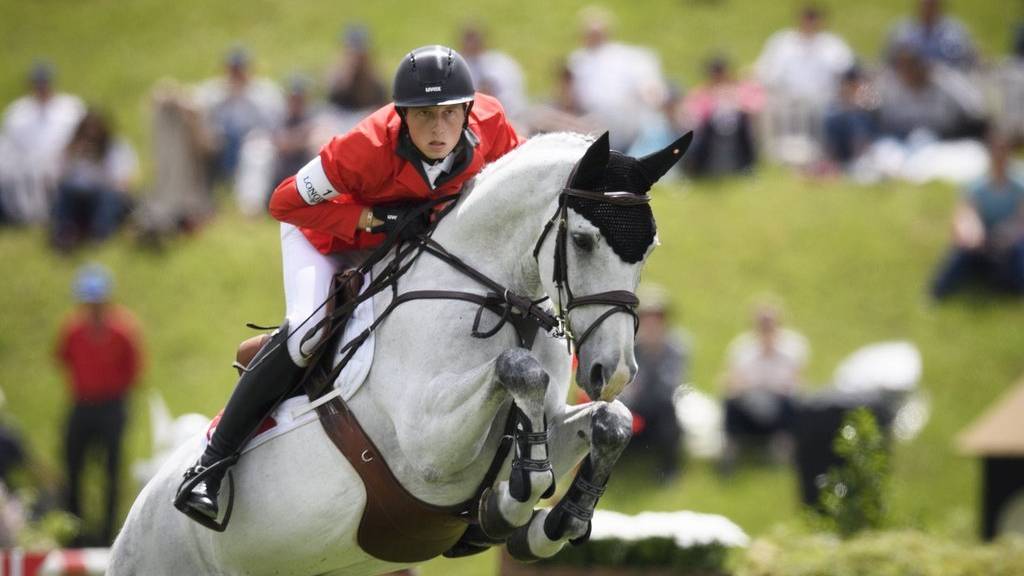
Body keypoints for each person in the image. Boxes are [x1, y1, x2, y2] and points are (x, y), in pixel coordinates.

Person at [177, 45, 524, 524]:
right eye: (424, 116)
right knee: (306, 332)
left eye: (449, 114)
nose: (439, 129)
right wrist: (369, 215)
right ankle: (210, 465)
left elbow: (520, 185)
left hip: (403, 244)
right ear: (402, 115)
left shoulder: (491, 123)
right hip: (323, 235)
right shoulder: (366, 148)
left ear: (468, 110)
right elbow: (284, 202)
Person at [55, 264, 143, 544]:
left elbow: (134, 369)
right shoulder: (73, 329)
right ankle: (75, 531)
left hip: (112, 407)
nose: (92, 306)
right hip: (81, 406)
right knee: (72, 465)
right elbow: (63, 358)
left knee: (112, 471)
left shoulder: (122, 329)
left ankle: (108, 534)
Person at [930, 132, 1024, 299]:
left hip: (1011, 240)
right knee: (961, 251)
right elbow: (965, 215)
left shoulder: (1019, 185)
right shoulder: (977, 187)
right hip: (983, 240)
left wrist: (1007, 235)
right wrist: (972, 232)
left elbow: (1021, 219)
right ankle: (938, 292)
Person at [720, 302, 808, 471]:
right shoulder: (742, 349)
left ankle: (784, 447)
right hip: (750, 404)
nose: (766, 330)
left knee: (793, 400)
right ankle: (731, 448)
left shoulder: (793, 349)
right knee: (730, 401)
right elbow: (730, 381)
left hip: (780, 407)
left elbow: (797, 382)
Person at [567, 6, 668, 151]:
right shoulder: (578, 60)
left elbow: (649, 87)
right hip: (592, 121)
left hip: (629, 121)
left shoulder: (627, 57)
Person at [619, 284, 689, 483]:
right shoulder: (630, 347)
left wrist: (655, 355)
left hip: (660, 411)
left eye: (656, 320)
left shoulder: (675, 347)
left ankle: (669, 469)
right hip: (635, 409)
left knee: (666, 409)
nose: (651, 326)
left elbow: (670, 386)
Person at [0, 61, 85, 224]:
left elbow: (81, 138)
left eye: (44, 83)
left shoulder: (70, 108)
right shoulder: (18, 112)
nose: (41, 87)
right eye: (37, 83)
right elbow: (8, 146)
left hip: (63, 165)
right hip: (25, 167)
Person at [193, 46, 285, 184]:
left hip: (252, 141)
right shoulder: (217, 90)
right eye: (232, 69)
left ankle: (248, 202)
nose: (236, 73)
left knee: (257, 151)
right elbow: (194, 102)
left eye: (240, 68)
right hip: (220, 142)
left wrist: (244, 95)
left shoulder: (264, 91)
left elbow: (274, 122)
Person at [50, 108, 138, 252]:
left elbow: (122, 183)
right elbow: (58, 177)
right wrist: (72, 154)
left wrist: (99, 161)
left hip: (104, 196)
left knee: (109, 196)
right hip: (77, 195)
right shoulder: (72, 148)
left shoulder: (115, 148)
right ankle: (64, 234)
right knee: (65, 191)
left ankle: (99, 234)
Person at [755, 4, 854, 107]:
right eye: (807, 20)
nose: (809, 24)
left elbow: (847, 71)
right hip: (786, 103)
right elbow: (765, 72)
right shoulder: (782, 43)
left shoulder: (833, 45)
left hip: (826, 102)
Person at [682, 55, 763, 178]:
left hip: (738, 131)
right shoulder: (703, 92)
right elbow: (693, 115)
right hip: (710, 133)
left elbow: (755, 106)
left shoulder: (740, 88)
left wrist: (734, 101)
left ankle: (748, 166)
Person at [459, 24, 528, 123]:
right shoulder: (457, 65)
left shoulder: (502, 64)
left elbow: (514, 99)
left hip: (507, 117)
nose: (471, 44)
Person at [885, 0, 976, 70]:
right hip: (908, 87)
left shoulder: (956, 32)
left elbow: (970, 61)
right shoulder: (901, 31)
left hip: (948, 86)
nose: (928, 8)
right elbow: (887, 63)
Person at [326, 24, 388, 115]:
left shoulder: (375, 78)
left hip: (365, 116)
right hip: (340, 117)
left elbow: (380, 102)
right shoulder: (337, 75)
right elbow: (332, 101)